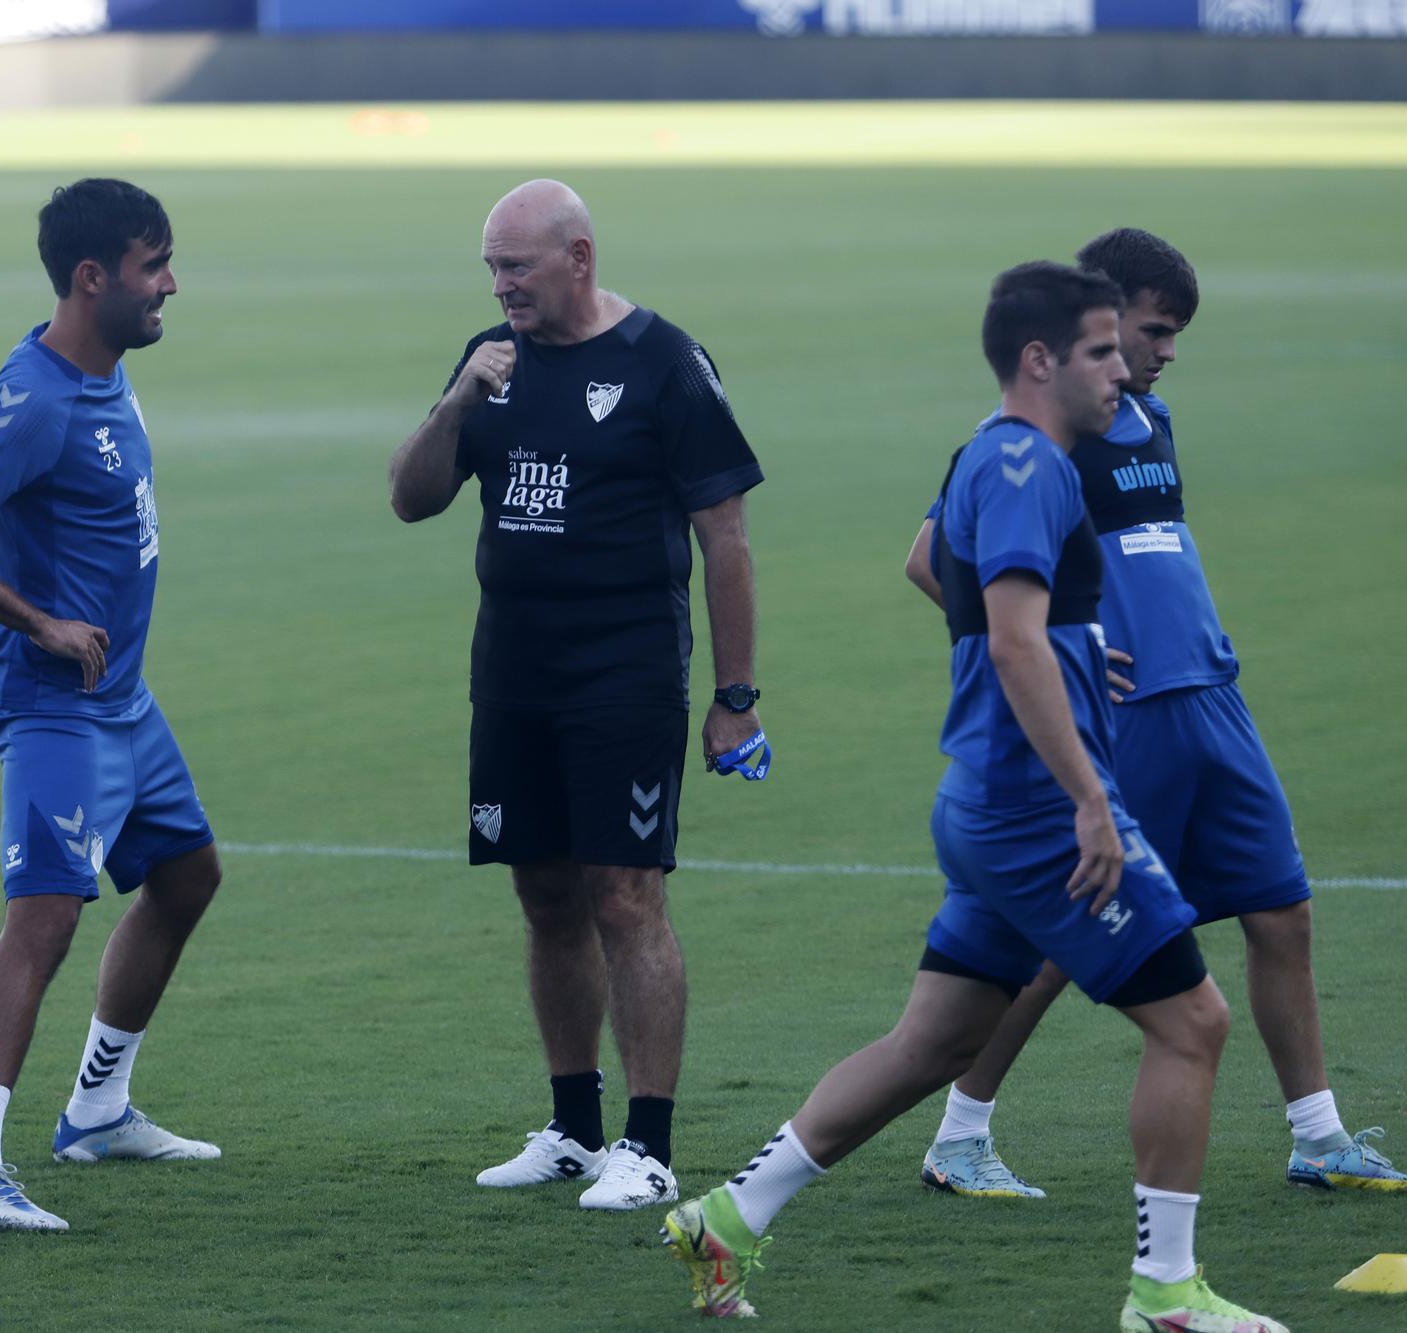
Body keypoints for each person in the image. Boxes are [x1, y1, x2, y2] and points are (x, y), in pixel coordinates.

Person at [665, 262, 1287, 1332]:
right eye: (1099, 350)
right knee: (1190, 1021)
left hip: (990, 805)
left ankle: (726, 1213)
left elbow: (1005, 618)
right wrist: (1090, 798)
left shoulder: (1008, 460)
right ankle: (1165, 1296)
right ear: (1038, 360)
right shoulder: (1023, 465)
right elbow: (1004, 634)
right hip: (1033, 811)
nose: (1118, 370)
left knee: (933, 1045)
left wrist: (1076, 653)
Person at [902, 229, 1407, 1199]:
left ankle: (1316, 1137)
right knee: (1069, 937)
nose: (1162, 349)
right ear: (1095, 321)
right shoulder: (1029, 442)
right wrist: (1060, 659)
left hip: (1210, 700)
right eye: (1150, 330)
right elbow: (931, 561)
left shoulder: (1153, 421)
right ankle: (958, 1135)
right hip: (1124, 714)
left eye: (1171, 332)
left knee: (1281, 911)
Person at [388, 179, 767, 1211]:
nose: (502, 285)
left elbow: (723, 537)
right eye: (490, 268)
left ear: (578, 258)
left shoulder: (663, 363)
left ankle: (644, 1146)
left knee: (624, 896)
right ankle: (570, 1126)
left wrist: (734, 693)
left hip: (625, 673)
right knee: (543, 894)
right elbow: (409, 498)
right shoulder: (490, 362)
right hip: (512, 674)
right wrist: (459, 396)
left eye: (517, 266)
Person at [0, 178, 222, 1234]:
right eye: (152, 264)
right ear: (93, 278)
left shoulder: (101, 373)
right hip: (57, 705)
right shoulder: (34, 399)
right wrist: (37, 622)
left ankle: (96, 1109)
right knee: (41, 920)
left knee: (184, 876)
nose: (169, 282)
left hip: (122, 699)